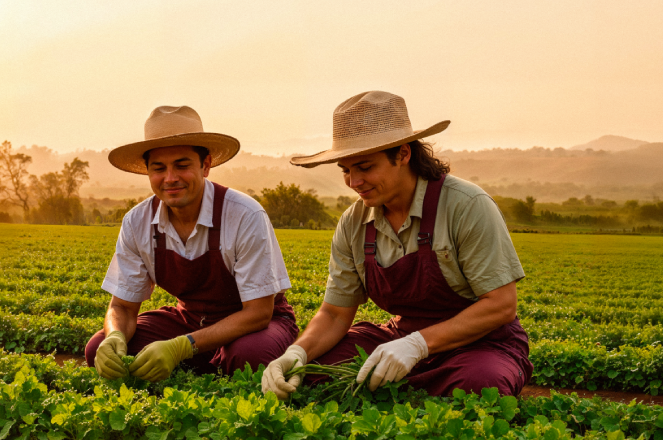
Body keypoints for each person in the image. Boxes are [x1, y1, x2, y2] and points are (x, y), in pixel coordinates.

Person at [262, 91, 533, 399]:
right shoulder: (354, 223)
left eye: (364, 167)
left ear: (403, 154)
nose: (353, 182)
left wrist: (418, 345)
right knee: (313, 372)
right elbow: (336, 314)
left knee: (480, 386)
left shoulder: (466, 205)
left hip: (479, 343)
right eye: (346, 170)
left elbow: (500, 305)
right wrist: (296, 354)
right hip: (398, 339)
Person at [87, 105, 297, 382]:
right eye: (159, 168)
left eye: (182, 165)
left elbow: (258, 313)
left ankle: (207, 360)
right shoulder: (137, 222)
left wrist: (180, 347)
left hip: (255, 324)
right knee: (99, 351)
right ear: (148, 173)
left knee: (249, 358)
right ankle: (210, 361)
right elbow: (123, 308)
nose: (170, 178)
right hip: (190, 320)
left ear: (205, 165)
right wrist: (114, 335)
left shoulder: (244, 214)